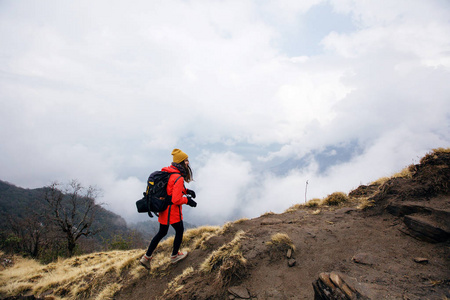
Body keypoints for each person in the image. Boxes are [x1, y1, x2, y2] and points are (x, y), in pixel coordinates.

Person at [140, 148, 197, 270]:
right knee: (180, 230)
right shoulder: (178, 177)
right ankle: (175, 256)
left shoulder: (171, 172)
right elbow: (176, 199)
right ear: (181, 162)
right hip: (172, 211)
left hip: (163, 208)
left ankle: (146, 257)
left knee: (162, 232)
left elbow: (171, 189)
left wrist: (187, 191)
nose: (188, 162)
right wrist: (188, 200)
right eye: (186, 160)